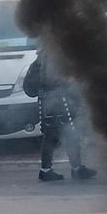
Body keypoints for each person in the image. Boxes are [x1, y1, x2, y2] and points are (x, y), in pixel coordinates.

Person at [34, 49, 96, 181]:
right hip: (59, 101)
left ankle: (49, 169)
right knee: (68, 134)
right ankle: (74, 169)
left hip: (51, 101)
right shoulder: (53, 55)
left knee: (54, 135)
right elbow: (54, 79)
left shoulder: (43, 56)